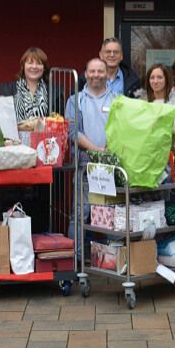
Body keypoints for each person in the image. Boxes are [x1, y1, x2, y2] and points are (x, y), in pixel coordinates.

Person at [0, 46, 53, 230]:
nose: (34, 66)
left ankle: (37, 244)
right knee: (12, 203)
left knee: (40, 207)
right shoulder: (7, 88)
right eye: (30, 62)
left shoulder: (54, 90)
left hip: (43, 156)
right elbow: (0, 119)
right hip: (15, 155)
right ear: (23, 65)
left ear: (44, 67)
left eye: (39, 63)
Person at [65, 58, 118, 242]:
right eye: (92, 71)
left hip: (111, 167)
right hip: (84, 165)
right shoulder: (75, 100)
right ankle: (76, 262)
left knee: (111, 215)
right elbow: (73, 132)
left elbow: (122, 130)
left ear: (107, 74)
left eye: (100, 71)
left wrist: (108, 150)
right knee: (80, 214)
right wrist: (97, 150)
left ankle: (113, 263)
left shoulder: (118, 100)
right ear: (86, 74)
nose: (96, 75)